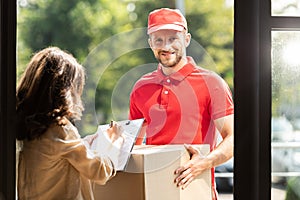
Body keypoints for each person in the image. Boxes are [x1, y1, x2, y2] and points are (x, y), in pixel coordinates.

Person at [128, 8, 234, 200]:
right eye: (158, 39)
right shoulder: (140, 88)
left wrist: (203, 163)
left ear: (186, 39)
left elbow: (233, 139)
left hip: (197, 193)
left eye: (173, 38)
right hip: (154, 193)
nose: (165, 46)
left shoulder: (212, 83)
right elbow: (132, 147)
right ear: (150, 43)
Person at [16, 47, 124, 200]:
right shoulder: (59, 129)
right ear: (65, 90)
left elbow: (55, 155)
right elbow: (99, 172)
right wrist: (113, 142)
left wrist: (83, 144)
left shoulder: (27, 127)